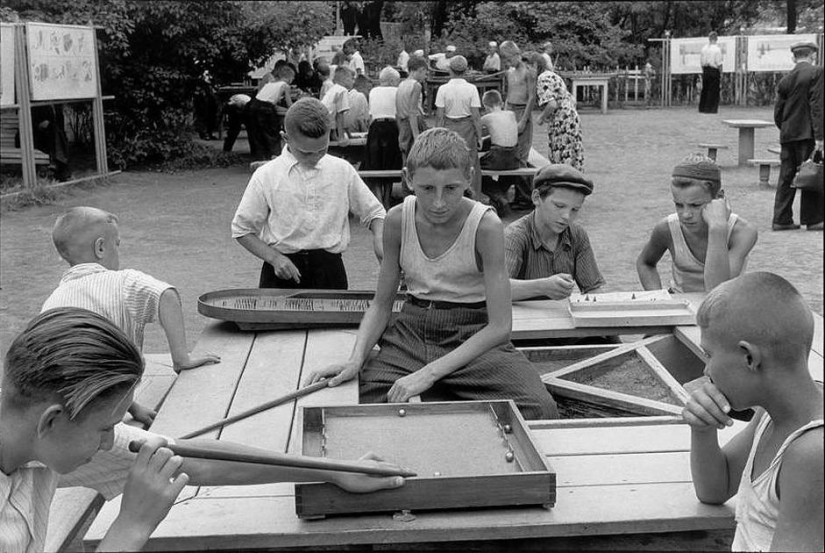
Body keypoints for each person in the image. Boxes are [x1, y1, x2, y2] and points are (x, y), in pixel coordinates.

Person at [0, 307, 406, 553]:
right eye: (106, 428)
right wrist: (131, 527)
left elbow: (191, 459)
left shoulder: (37, 437)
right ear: (50, 420)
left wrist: (332, 469)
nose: (111, 442)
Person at [304, 128, 558, 421]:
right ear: (408, 179)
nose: (438, 203)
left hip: (474, 334)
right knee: (367, 407)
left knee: (540, 408)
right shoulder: (397, 220)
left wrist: (428, 374)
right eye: (427, 189)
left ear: (469, 177)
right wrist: (356, 359)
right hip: (411, 332)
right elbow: (382, 304)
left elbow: (500, 327)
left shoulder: (485, 226)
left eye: (451, 188)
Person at [41, 206, 221, 426]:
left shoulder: (51, 303)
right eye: (116, 244)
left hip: (62, 413)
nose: (118, 250)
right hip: (101, 418)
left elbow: (87, 373)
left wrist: (133, 408)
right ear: (100, 248)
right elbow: (166, 296)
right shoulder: (124, 282)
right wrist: (181, 358)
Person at [683, 272, 823, 552]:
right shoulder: (770, 416)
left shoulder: (811, 453)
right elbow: (715, 489)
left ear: (749, 357)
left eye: (709, 355)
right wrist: (703, 428)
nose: (706, 370)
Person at [231, 98, 386, 290]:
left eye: (322, 150)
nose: (315, 157)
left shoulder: (342, 170)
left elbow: (375, 213)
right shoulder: (267, 175)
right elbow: (242, 229)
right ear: (285, 138)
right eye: (306, 152)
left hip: (329, 272)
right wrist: (274, 258)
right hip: (281, 272)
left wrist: (379, 237)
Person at [637, 154, 758, 293]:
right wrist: (658, 297)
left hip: (724, 304)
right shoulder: (667, 228)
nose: (685, 214)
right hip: (681, 302)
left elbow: (717, 291)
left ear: (719, 198)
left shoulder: (743, 233)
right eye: (679, 205)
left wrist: (717, 228)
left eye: (695, 205)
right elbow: (645, 263)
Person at [505, 164, 604, 301]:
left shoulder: (577, 235)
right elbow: (496, 289)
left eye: (575, 209)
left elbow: (593, 289)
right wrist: (542, 287)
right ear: (536, 197)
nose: (567, 216)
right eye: (559, 206)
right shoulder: (515, 236)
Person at [772, 40, 824, 232]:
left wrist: (785, 128)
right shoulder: (817, 73)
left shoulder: (786, 79)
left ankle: (781, 219)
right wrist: (820, 136)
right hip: (808, 133)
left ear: (794, 57)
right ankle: (813, 219)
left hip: (788, 134)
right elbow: (817, 105)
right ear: (813, 55)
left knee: (786, 177)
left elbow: (778, 111)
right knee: (812, 172)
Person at [435, 55, 484, 200]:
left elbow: (439, 116)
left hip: (449, 127)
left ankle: (449, 194)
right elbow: (476, 116)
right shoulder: (471, 88)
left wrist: (437, 135)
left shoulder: (443, 89)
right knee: (471, 162)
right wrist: (479, 136)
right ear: (466, 70)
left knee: (448, 162)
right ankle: (473, 196)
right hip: (467, 127)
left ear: (450, 70)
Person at [499, 41, 537, 209]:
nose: (508, 63)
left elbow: (531, 97)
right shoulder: (510, 72)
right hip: (511, 111)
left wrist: (523, 120)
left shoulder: (528, 72)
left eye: (509, 59)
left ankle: (526, 197)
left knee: (522, 155)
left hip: (522, 112)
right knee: (511, 153)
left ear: (517, 54)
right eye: (505, 60)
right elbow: (509, 95)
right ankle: (518, 194)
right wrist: (505, 114)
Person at [533, 51, 584, 170]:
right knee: (573, 157)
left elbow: (552, 104)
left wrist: (541, 117)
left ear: (535, 65)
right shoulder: (553, 76)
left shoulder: (543, 78)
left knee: (561, 159)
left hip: (562, 122)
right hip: (571, 119)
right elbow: (573, 100)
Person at [363, 66, 403, 207]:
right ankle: (386, 199)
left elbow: (371, 115)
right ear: (391, 80)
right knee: (390, 163)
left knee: (376, 163)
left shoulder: (373, 91)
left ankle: (379, 200)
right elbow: (399, 114)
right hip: (392, 126)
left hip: (376, 127)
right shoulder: (397, 91)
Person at [479, 89, 519, 216]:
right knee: (508, 172)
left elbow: (475, 128)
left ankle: (499, 197)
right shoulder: (511, 114)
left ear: (486, 106)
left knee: (476, 170)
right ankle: (499, 198)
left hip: (498, 156)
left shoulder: (487, 117)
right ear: (501, 102)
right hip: (514, 157)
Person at [246, 64, 295, 161]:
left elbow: (268, 101)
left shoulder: (269, 84)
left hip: (254, 107)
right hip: (266, 110)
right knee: (272, 134)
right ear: (289, 78)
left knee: (258, 135)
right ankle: (275, 157)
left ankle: (261, 158)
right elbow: (289, 104)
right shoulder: (285, 86)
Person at [321, 66, 354, 143]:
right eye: (352, 79)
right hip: (324, 125)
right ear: (344, 79)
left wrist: (348, 135)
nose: (353, 82)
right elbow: (340, 115)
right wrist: (341, 138)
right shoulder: (342, 91)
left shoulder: (334, 89)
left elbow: (332, 112)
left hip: (323, 123)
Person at [698, 32, 724, 114]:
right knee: (713, 90)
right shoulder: (717, 49)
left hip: (706, 69)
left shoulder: (704, 48)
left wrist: (704, 70)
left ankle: (702, 107)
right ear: (716, 39)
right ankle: (711, 108)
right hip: (714, 70)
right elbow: (719, 63)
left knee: (705, 89)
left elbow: (701, 61)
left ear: (709, 39)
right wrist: (721, 73)